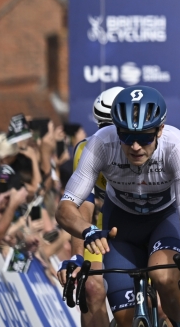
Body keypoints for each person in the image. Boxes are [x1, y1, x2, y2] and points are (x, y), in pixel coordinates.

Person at [56, 85, 180, 327]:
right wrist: (87, 232)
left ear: (160, 130)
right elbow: (67, 208)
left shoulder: (176, 146)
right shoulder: (101, 144)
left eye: (145, 137)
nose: (135, 146)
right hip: (120, 227)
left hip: (163, 220)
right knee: (126, 320)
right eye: (126, 136)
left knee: (164, 277)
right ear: (116, 130)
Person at [57, 86, 124, 327]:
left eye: (115, 126)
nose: (109, 134)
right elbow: (81, 208)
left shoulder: (144, 148)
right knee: (91, 287)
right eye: (102, 126)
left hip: (144, 225)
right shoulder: (87, 150)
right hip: (104, 227)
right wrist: (76, 256)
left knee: (161, 297)